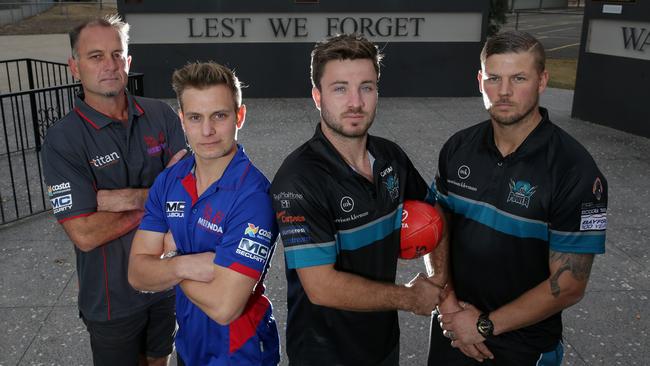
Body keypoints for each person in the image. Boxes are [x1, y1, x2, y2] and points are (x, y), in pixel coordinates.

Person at [427, 30, 608, 366]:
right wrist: (448, 303)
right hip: (453, 329)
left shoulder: (575, 170)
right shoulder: (457, 148)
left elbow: (569, 284)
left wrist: (483, 326)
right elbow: (436, 228)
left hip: (524, 347)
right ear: (480, 80)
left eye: (519, 78)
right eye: (494, 78)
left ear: (542, 81)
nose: (505, 91)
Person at [270, 33, 445, 366]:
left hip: (383, 345)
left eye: (366, 87)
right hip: (324, 355)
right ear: (317, 97)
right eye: (340, 89)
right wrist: (410, 298)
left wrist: (437, 280)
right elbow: (322, 286)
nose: (355, 102)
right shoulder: (298, 179)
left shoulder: (391, 157)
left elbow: (436, 214)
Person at [40, 15, 186, 366]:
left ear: (129, 61)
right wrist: (158, 199)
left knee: (160, 360)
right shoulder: (63, 140)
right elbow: (85, 234)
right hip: (110, 300)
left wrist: (120, 199)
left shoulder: (161, 116)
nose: (109, 66)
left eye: (117, 54)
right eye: (95, 56)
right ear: (74, 67)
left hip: (166, 281)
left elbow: (186, 195)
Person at [128, 61, 281, 366]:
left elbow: (225, 306)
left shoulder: (254, 197)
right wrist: (191, 264)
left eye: (219, 116)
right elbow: (136, 274)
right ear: (183, 120)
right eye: (196, 118)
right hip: (188, 344)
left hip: (240, 352)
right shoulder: (170, 181)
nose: (207, 131)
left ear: (240, 116)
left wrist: (171, 259)